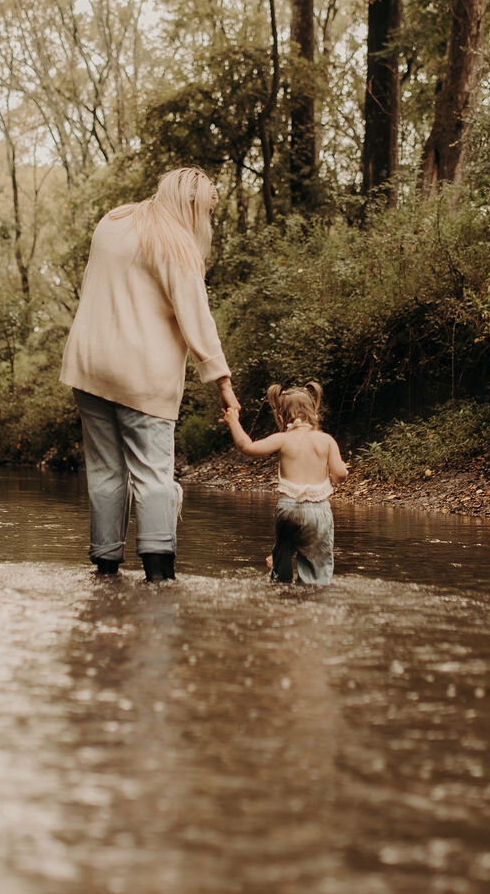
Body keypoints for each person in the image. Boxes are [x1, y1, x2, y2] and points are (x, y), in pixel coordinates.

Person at [61, 168, 239, 581]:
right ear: (191, 205)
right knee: (153, 475)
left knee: (105, 472)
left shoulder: (114, 221)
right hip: (143, 376)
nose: (206, 221)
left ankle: (105, 571)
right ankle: (160, 579)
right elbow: (196, 317)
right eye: (207, 211)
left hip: (88, 366)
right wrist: (223, 382)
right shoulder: (175, 242)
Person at [222, 382, 348, 586]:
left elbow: (247, 447)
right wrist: (341, 470)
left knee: (283, 552)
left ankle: (279, 572)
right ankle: (313, 587)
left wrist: (233, 421)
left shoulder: (282, 439)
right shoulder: (326, 441)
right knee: (317, 565)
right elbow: (340, 475)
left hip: (288, 508)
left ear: (281, 417)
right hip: (318, 511)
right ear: (315, 412)